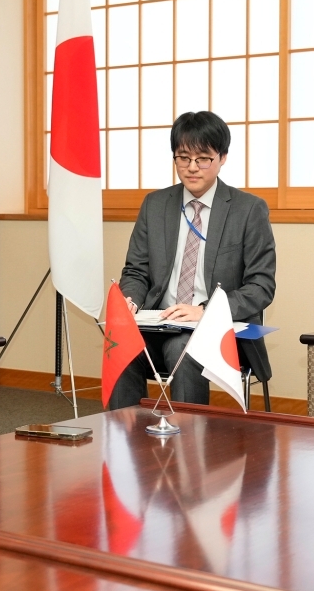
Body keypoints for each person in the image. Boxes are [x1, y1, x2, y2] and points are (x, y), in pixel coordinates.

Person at [112, 111, 276, 408]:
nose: (192, 168)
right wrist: (131, 301)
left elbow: (261, 285)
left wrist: (205, 310)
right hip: (158, 322)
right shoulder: (155, 204)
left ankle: (189, 450)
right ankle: (125, 443)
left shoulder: (248, 210)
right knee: (122, 344)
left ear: (222, 157)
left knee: (182, 350)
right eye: (183, 158)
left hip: (217, 328)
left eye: (203, 159)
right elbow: (136, 270)